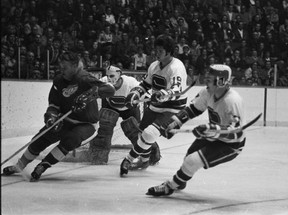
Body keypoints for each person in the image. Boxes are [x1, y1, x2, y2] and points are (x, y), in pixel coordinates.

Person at [2, 51, 115, 181]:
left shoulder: (84, 78)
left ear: (74, 66)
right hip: (65, 119)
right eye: (60, 67)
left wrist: (89, 95)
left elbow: (110, 90)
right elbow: (54, 105)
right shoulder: (58, 81)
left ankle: (44, 165)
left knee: (70, 140)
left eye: (64, 68)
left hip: (86, 124)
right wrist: (51, 117)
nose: (61, 70)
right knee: (41, 138)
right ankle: (20, 166)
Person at [146, 64, 246, 196]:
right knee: (189, 156)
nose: (206, 82)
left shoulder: (232, 101)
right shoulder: (207, 93)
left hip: (231, 145)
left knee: (192, 161)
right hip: (213, 134)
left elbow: (236, 134)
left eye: (209, 80)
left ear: (220, 82)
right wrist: (174, 122)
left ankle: (170, 186)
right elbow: (193, 109)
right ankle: (180, 181)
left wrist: (212, 129)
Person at [120, 34, 188, 175]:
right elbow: (146, 84)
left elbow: (177, 89)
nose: (156, 53)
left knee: (150, 134)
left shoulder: (176, 67)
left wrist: (163, 94)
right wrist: (135, 94)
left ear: (169, 52)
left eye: (160, 51)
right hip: (155, 106)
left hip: (173, 108)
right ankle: (144, 161)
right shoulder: (154, 66)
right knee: (141, 134)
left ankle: (128, 159)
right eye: (156, 50)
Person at [88, 65, 160, 166]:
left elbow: (144, 92)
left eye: (112, 76)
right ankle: (98, 155)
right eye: (107, 76)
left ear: (119, 74)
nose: (109, 79)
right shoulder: (103, 81)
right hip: (111, 106)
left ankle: (151, 154)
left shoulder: (131, 82)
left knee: (136, 131)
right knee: (104, 127)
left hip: (130, 108)